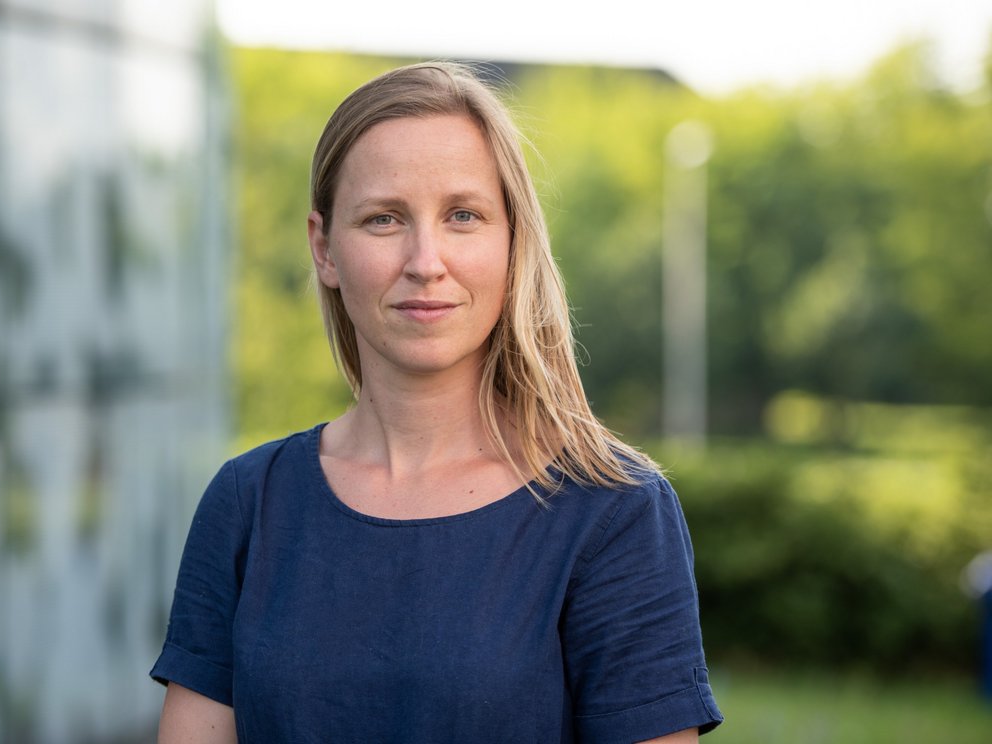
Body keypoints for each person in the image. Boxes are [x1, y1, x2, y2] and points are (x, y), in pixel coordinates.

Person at [151, 61, 724, 743]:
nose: (426, 260)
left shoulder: (613, 511)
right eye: (384, 219)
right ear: (324, 248)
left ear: (512, 243)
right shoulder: (248, 503)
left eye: (463, 216)